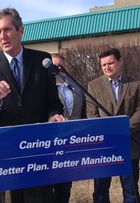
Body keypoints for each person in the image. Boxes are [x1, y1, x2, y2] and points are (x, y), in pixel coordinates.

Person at [0, 7, 66, 203]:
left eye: (7, 29)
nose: (2, 36)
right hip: (6, 157)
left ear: (20, 30)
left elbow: (53, 102)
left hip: (38, 152)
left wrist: (54, 115)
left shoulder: (42, 60)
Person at [86, 48, 140, 203]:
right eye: (104, 65)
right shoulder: (93, 86)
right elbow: (92, 116)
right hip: (104, 147)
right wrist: (109, 135)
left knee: (131, 190)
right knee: (100, 191)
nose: (107, 67)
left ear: (120, 62)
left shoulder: (136, 84)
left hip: (129, 144)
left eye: (111, 63)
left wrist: (123, 130)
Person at [51, 53, 86, 202]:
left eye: (59, 65)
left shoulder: (77, 86)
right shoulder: (42, 88)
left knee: (65, 187)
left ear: (65, 67)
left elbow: (83, 112)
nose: (56, 69)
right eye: (53, 66)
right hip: (50, 144)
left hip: (71, 144)